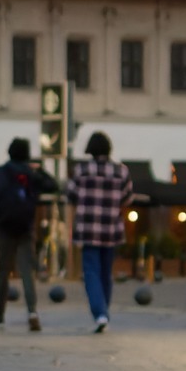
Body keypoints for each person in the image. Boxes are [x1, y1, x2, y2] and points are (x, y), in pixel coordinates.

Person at [0, 138, 56, 330]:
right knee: (27, 272)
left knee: (3, 271)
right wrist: (39, 169)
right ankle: (32, 311)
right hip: (26, 228)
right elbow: (53, 185)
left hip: (4, 228)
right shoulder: (31, 174)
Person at [66, 131, 132, 333]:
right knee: (106, 272)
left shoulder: (81, 170)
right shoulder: (121, 171)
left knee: (91, 272)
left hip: (87, 229)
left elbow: (70, 194)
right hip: (111, 228)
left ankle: (99, 312)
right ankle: (104, 312)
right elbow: (127, 198)